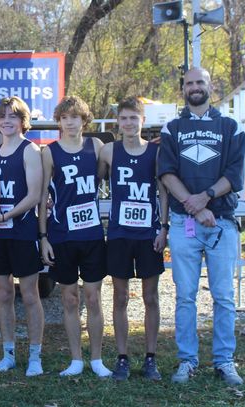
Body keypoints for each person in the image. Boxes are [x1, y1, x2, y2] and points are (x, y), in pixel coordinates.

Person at [158, 67, 245, 385]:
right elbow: (167, 174)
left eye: (200, 82)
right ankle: (187, 361)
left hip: (222, 222)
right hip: (185, 224)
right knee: (185, 296)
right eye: (189, 83)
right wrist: (194, 209)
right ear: (183, 88)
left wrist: (205, 198)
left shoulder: (231, 127)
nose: (194, 87)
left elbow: (235, 175)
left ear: (210, 86)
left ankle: (224, 361)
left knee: (224, 296)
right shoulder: (171, 128)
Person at [39, 96, 112, 378]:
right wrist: (43, 237)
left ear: (85, 120)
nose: (70, 122)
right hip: (62, 235)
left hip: (92, 235)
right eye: (65, 117)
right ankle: (75, 359)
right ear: (59, 121)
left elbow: (106, 177)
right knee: (69, 298)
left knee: (93, 298)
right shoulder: (49, 152)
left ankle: (97, 359)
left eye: (75, 117)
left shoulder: (96, 147)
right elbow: (43, 196)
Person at [98, 97, 168, 381]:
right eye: (124, 118)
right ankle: (122, 357)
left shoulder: (155, 153)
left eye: (133, 118)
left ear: (142, 121)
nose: (128, 123)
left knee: (151, 296)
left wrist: (164, 228)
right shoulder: (108, 151)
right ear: (118, 123)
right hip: (119, 234)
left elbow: (163, 191)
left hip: (148, 233)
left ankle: (151, 358)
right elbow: (89, 181)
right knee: (120, 296)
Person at [0, 96, 45, 377]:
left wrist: (6, 216)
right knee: (3, 293)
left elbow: (34, 196)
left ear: (22, 121)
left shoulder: (30, 151)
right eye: (3, 116)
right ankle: (8, 354)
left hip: (22, 231)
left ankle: (35, 356)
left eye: (13, 116)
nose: (7, 120)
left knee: (30, 295)